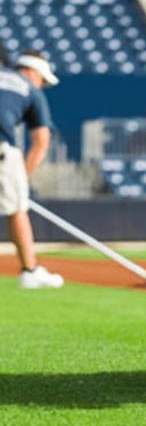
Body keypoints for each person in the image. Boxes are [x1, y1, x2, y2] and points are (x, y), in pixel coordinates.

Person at [0, 50, 64, 288]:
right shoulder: (30, 90)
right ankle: (30, 270)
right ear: (31, 71)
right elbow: (40, 143)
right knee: (17, 210)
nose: (42, 84)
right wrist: (21, 182)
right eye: (42, 79)